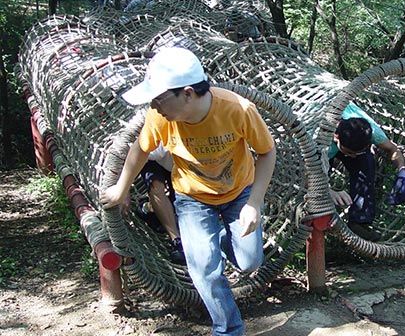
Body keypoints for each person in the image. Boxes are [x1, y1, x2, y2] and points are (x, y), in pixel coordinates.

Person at [100, 47, 276, 336]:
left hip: (238, 192)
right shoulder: (161, 118)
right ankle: (228, 329)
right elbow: (140, 149)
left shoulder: (237, 110)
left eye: (159, 98)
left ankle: (215, 240)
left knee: (249, 261)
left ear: (188, 93)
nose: (154, 106)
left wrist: (254, 203)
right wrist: (121, 188)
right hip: (192, 198)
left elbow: (267, 152)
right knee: (205, 268)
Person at [328, 103, 405, 241]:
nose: (353, 156)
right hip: (322, 148)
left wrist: (402, 170)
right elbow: (306, 171)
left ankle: (359, 222)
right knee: (321, 172)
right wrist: (328, 191)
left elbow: (393, 150)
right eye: (349, 152)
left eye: (357, 152)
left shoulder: (370, 131)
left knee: (366, 161)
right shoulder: (320, 139)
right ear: (336, 137)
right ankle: (326, 217)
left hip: (348, 136)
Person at [136, 144, 185, 264]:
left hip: (177, 161)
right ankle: (176, 240)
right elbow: (143, 151)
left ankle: (148, 208)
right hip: (149, 153)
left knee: (179, 200)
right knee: (156, 186)